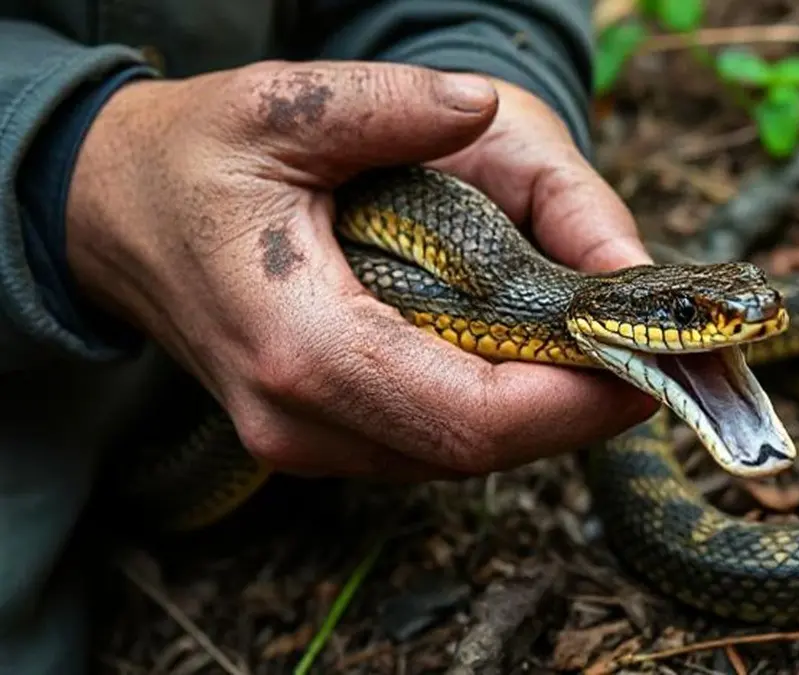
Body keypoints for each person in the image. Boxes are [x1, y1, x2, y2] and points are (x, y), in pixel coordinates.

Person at [0, 2, 660, 671]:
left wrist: (482, 56)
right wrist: (64, 171)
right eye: (684, 314)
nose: (716, 330)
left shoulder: (540, 293)